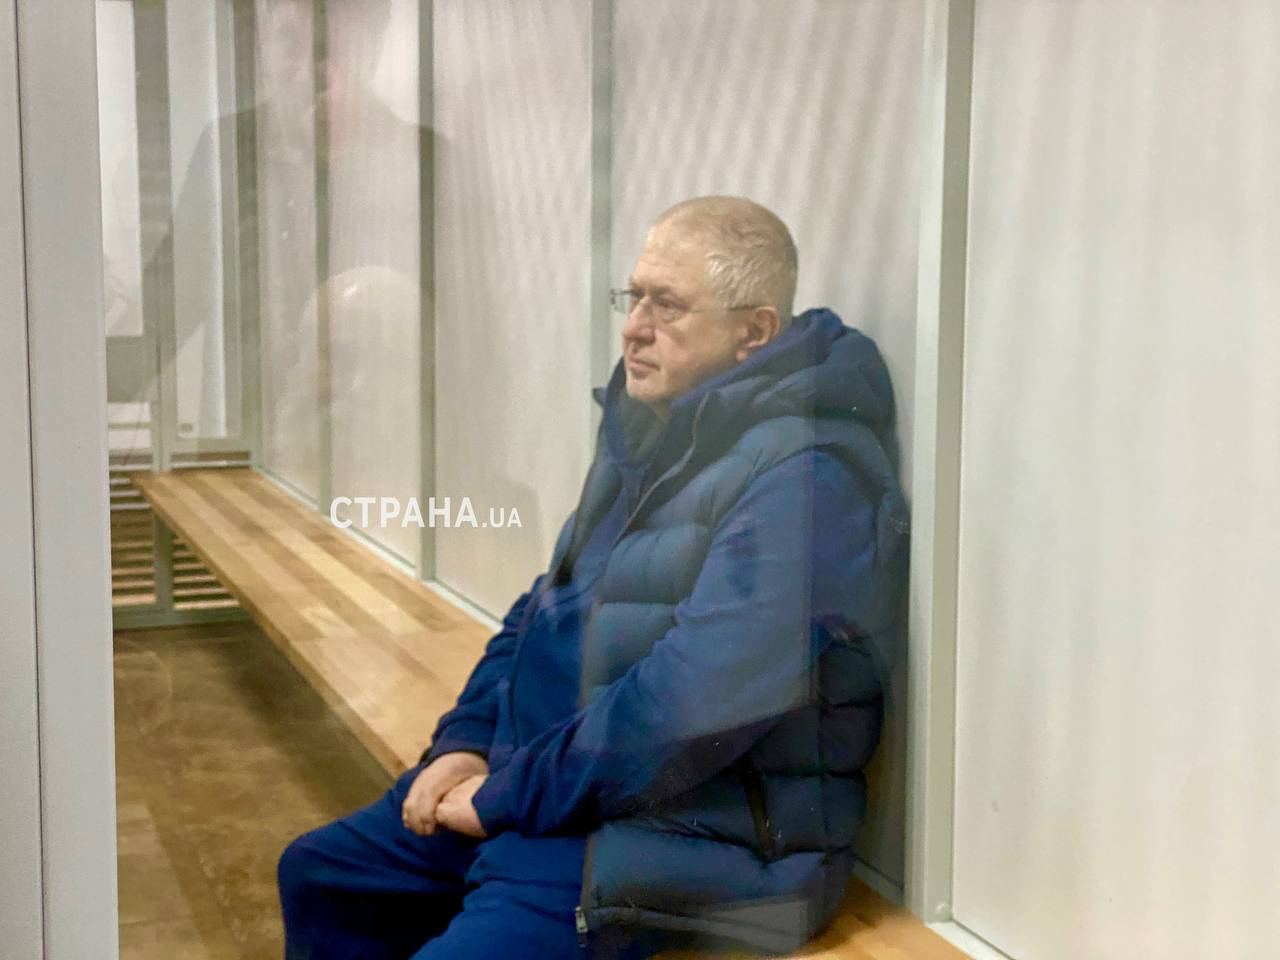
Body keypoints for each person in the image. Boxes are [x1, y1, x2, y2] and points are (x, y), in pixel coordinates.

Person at [277, 195, 909, 959]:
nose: (634, 326)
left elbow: (689, 705)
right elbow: (544, 607)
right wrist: (466, 741)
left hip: (704, 845)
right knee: (321, 874)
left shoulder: (808, 478)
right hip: (571, 795)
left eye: (667, 305)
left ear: (755, 332)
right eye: (633, 296)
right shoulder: (653, 428)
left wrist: (506, 796)